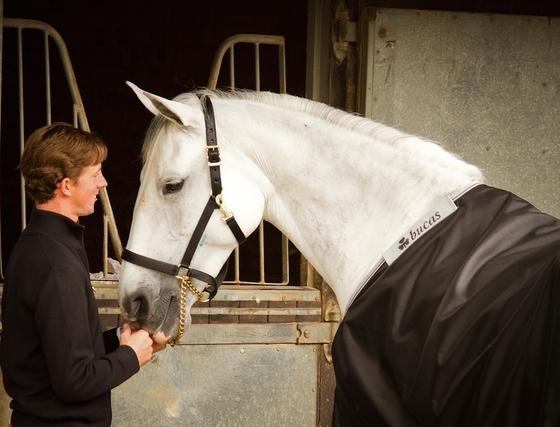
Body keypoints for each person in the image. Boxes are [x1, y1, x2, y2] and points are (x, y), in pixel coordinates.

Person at [0, 122, 166, 426]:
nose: (102, 183)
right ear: (66, 185)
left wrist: (122, 340)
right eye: (94, 174)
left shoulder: (39, 245)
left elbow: (59, 353)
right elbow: (75, 381)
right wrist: (131, 357)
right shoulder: (55, 262)